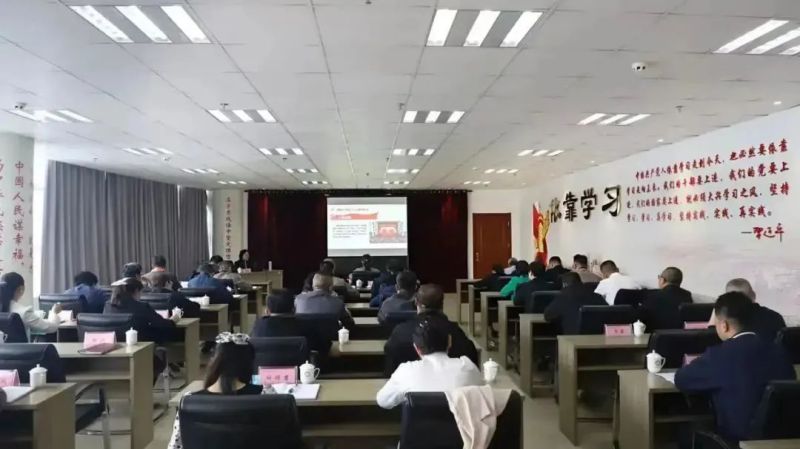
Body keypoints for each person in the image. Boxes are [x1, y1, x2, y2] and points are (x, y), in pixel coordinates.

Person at [674, 292, 795, 444]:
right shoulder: (779, 350)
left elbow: (681, 380)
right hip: (783, 440)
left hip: (734, 441)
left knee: (685, 432)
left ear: (724, 325)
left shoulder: (719, 355)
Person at [167, 332, 262, 449]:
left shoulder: (189, 402)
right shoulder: (265, 396)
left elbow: (175, 446)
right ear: (249, 364)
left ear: (214, 362)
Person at [377, 313, 483, 409]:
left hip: (418, 425)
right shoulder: (467, 367)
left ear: (416, 348)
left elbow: (383, 401)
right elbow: (481, 393)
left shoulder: (406, 371)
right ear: (449, 342)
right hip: (461, 425)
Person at [384, 284, 479, 375]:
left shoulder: (400, 331)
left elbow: (390, 367)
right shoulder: (456, 332)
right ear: (442, 304)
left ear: (416, 302)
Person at [251, 289, 329, 357]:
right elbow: (323, 348)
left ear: (267, 311)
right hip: (300, 368)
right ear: (294, 309)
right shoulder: (307, 325)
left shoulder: (258, 326)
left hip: (264, 367)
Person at [708, 278, 786, 341]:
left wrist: (713, 322)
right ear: (754, 295)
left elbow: (711, 340)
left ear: (727, 299)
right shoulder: (775, 317)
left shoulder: (728, 321)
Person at [1, 272, 60, 339]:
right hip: (21, 346)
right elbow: (52, 327)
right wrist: (54, 312)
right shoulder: (24, 312)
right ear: (21, 289)